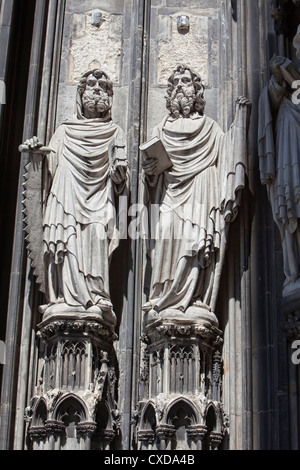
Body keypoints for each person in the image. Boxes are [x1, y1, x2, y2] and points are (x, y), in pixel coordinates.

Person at [142, 64, 250, 325]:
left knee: (197, 243)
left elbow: (227, 154)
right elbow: (151, 180)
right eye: (176, 81)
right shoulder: (159, 130)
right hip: (170, 194)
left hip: (201, 193)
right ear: (169, 93)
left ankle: (195, 299)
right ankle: (163, 298)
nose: (180, 85)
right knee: (166, 233)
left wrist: (240, 120)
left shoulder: (210, 129)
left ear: (197, 90)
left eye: (187, 81)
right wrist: (150, 171)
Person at [23, 69, 128, 327]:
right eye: (91, 85)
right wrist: (37, 154)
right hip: (66, 195)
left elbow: (122, 180)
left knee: (95, 238)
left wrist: (119, 176)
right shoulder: (64, 131)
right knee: (66, 243)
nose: (96, 90)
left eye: (103, 87)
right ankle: (64, 299)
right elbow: (48, 171)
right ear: (80, 94)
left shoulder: (115, 132)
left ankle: (96, 297)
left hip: (98, 200)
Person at [258, 26, 300, 297]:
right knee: (291, 211)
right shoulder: (288, 88)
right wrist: (278, 79)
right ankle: (294, 272)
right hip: (289, 151)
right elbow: (269, 108)